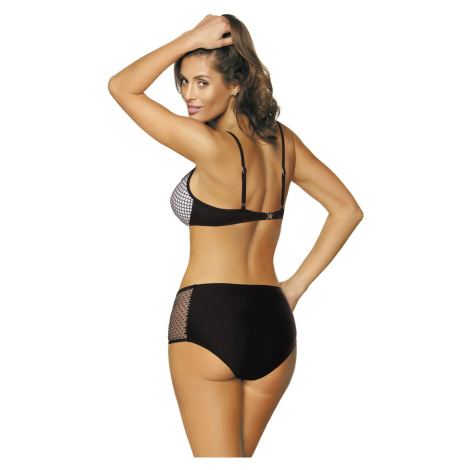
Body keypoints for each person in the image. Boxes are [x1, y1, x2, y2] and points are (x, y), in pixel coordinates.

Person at [108, 13, 363, 458]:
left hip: (207, 320)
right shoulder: (284, 143)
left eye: (202, 82)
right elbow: (347, 210)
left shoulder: (205, 144)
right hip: (274, 322)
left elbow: (122, 87)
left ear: (236, 84)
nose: (188, 95)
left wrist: (190, 37)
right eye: (183, 82)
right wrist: (293, 288)